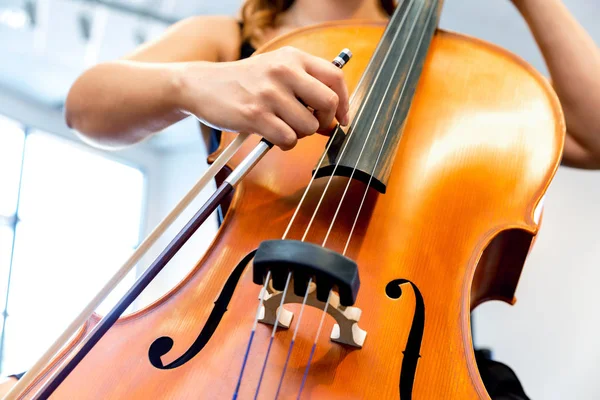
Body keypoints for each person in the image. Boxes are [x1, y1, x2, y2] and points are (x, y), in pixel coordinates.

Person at [2, 0, 599, 398]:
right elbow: (86, 104)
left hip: (414, 360)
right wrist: (194, 83)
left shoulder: (470, 73)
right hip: (235, 325)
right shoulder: (234, 38)